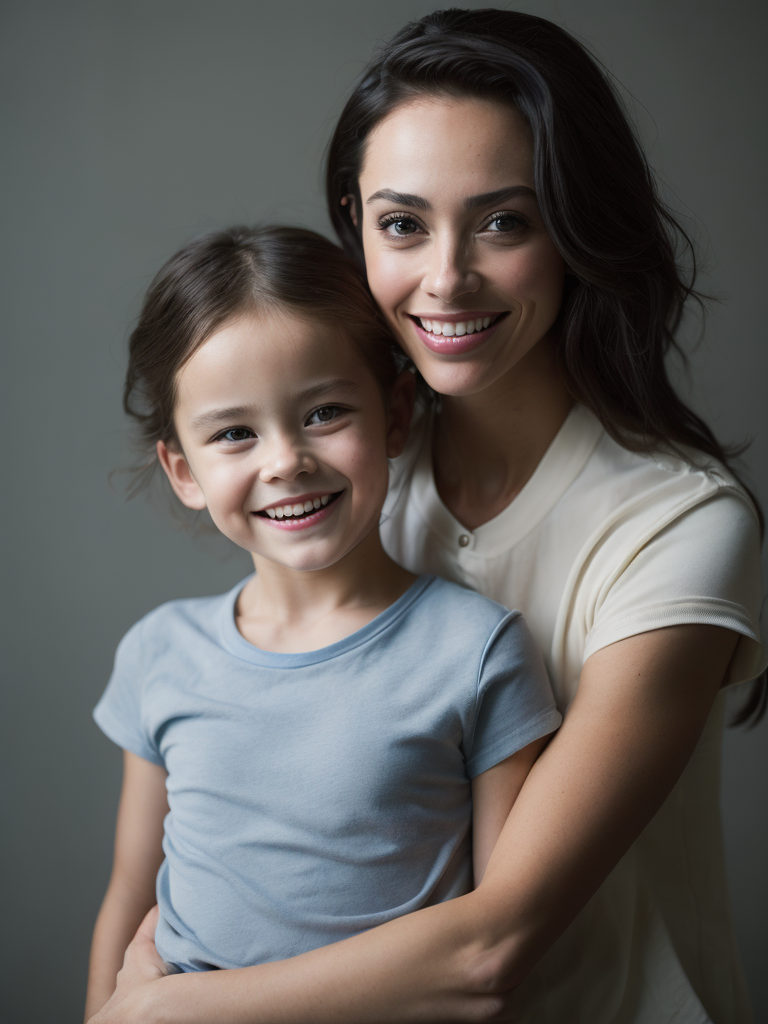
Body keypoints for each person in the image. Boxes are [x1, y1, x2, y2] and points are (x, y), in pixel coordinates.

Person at [88, 9, 766, 1024]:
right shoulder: (348, 481)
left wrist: (159, 1013)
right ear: (356, 222)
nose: (446, 276)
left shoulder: (678, 526)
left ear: (576, 229)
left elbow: (492, 943)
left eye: (506, 221)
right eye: (403, 223)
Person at [84, 224, 562, 1020]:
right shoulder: (159, 653)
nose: (285, 462)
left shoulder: (477, 651)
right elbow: (128, 898)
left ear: (397, 414)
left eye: (325, 412)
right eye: (235, 433)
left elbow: (493, 937)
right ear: (183, 470)